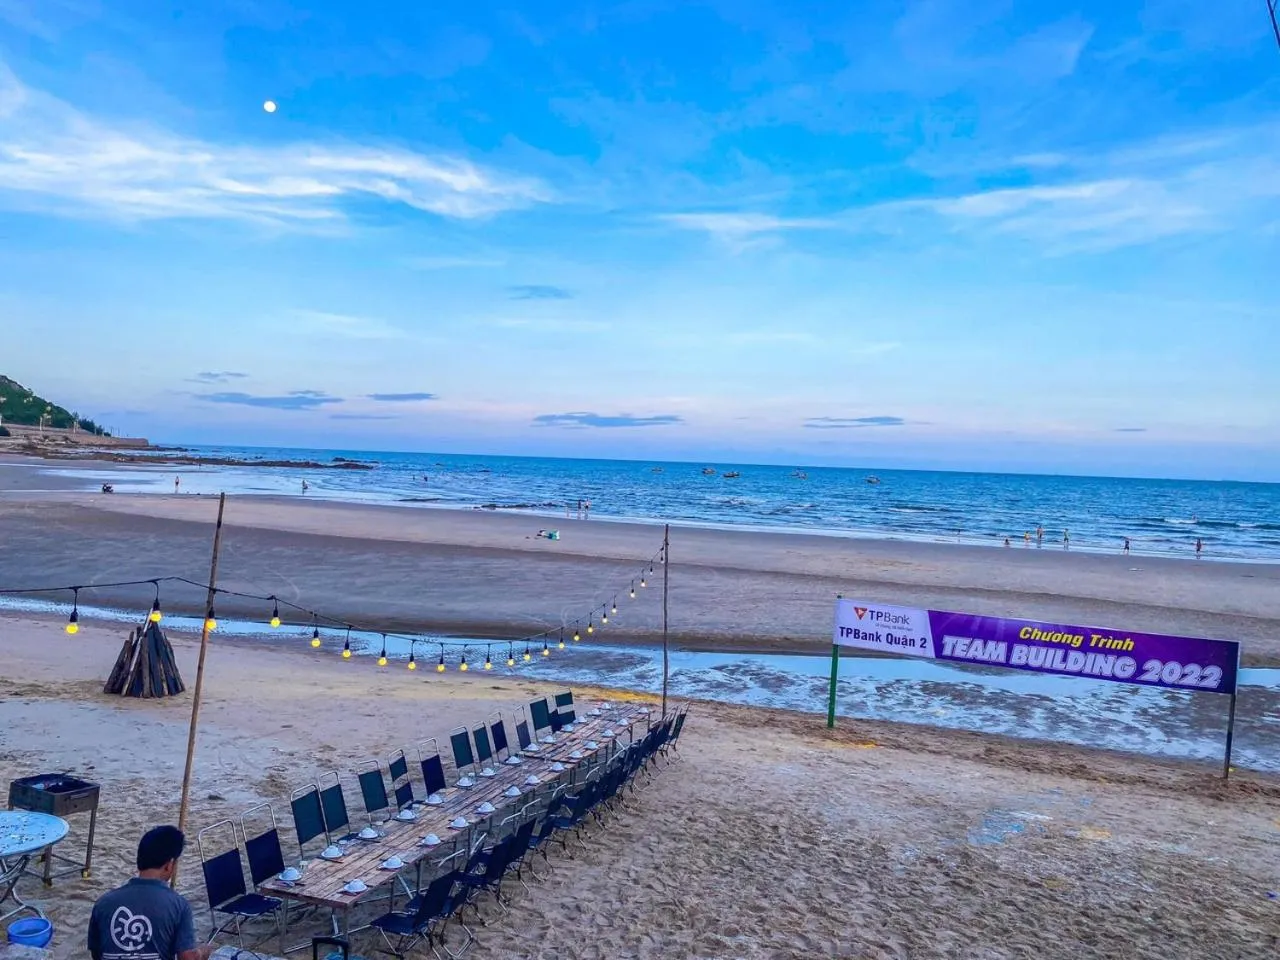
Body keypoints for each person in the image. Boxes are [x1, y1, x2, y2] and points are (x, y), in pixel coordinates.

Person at [88, 826, 213, 960]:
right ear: (169, 865)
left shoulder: (104, 902)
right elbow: (187, 958)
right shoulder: (178, 905)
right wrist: (203, 952)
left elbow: (96, 953)